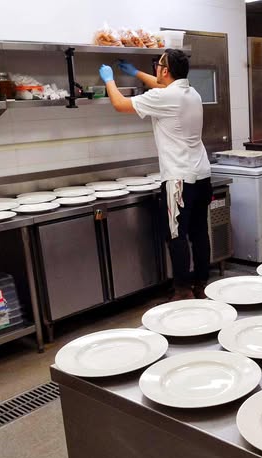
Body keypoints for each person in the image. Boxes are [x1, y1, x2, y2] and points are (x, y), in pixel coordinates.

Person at [99, 50, 213, 300]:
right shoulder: (192, 93)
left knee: (176, 235)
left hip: (178, 179)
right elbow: (162, 86)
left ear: (165, 70)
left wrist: (109, 80)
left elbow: (120, 104)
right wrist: (136, 73)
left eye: (157, 65)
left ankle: (182, 291)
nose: (155, 69)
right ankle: (201, 283)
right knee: (198, 232)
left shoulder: (163, 97)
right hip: (202, 175)